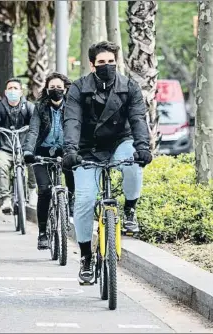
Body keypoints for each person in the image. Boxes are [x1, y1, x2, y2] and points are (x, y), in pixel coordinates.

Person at [62, 41, 153, 285]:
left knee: (133, 162)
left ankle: (130, 209)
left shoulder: (130, 87)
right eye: (102, 62)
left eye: (111, 62)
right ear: (92, 65)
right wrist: (70, 149)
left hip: (119, 142)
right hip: (86, 149)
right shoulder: (78, 89)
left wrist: (143, 146)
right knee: (84, 200)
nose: (107, 66)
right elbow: (72, 121)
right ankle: (85, 258)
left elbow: (137, 119)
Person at [22, 72, 75, 250]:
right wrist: (28, 151)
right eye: (52, 87)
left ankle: (71, 202)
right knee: (44, 191)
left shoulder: (72, 107)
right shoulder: (40, 107)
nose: (56, 90)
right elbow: (33, 131)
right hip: (40, 152)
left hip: (65, 150)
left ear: (65, 89)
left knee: (72, 172)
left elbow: (77, 130)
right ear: (46, 89)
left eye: (59, 87)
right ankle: (43, 233)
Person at [0, 78, 38, 214]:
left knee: (32, 161)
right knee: (1, 164)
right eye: (10, 88)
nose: (12, 91)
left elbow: (36, 120)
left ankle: (32, 191)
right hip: (5, 147)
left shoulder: (29, 106)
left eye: (15, 88)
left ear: (21, 91)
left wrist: (37, 130)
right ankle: (6, 199)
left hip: (25, 146)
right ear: (5, 91)